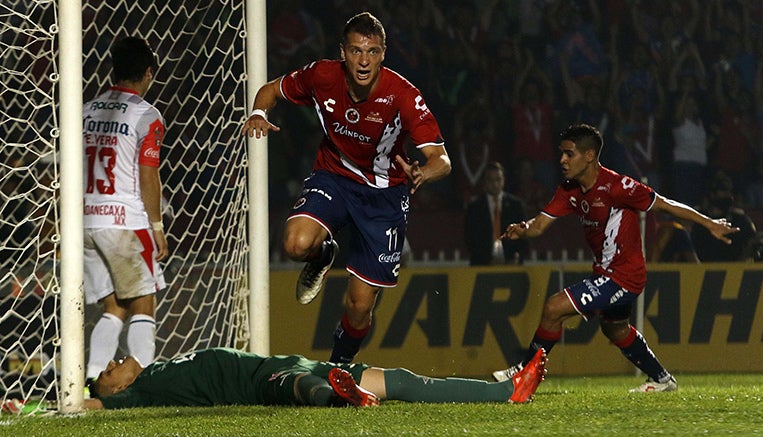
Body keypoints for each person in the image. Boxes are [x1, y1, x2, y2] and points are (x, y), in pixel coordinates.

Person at [240, 12, 451, 363]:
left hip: (384, 196)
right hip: (335, 176)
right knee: (295, 243)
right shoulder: (322, 75)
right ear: (343, 52)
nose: (363, 60)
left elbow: (441, 159)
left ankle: (338, 367)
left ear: (383, 53)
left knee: (359, 307)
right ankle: (323, 254)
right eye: (355, 51)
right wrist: (260, 114)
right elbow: (269, 91)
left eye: (371, 51)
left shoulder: (402, 94)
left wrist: (424, 173)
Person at [491, 124, 738, 392]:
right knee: (616, 329)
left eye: (569, 154)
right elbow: (539, 225)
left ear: (589, 156)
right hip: (604, 274)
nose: (562, 160)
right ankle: (662, 379)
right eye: (561, 153)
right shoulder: (569, 190)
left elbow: (666, 204)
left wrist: (709, 223)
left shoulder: (619, 187)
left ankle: (526, 372)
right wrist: (524, 229)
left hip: (624, 277)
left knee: (553, 308)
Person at [82, 37, 168, 383]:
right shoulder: (146, 115)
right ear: (148, 73)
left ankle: (90, 384)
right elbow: (149, 176)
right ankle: (138, 382)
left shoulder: (85, 109)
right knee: (143, 302)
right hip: (123, 221)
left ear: (113, 70)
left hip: (85, 219)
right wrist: (157, 226)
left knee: (114, 307)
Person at [83, 347, 547, 409]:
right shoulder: (139, 394)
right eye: (106, 373)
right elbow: (88, 406)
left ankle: (506, 390)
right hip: (260, 382)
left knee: (401, 378)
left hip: (293, 360)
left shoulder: (160, 368)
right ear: (119, 389)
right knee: (299, 387)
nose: (111, 364)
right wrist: (30, 407)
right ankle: (342, 399)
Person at [464, 162, 528, 265]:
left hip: (511, 264)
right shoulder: (474, 208)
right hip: (482, 265)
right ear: (484, 182)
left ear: (503, 180)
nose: (495, 184)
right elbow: (470, 239)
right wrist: (486, 260)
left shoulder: (515, 205)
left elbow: (524, 235)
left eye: (498, 179)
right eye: (491, 180)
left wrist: (516, 257)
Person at [690, 172, 756, 262]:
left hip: (735, 270)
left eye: (729, 191)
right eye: (724, 191)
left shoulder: (740, 219)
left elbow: (752, 241)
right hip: (702, 270)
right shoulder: (699, 218)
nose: (728, 195)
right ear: (712, 194)